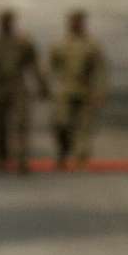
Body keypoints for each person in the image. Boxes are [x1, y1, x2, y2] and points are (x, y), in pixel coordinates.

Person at [0, 9, 50, 173]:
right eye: (3, 21)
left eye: (8, 21)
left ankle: (22, 159)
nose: (5, 24)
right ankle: (2, 157)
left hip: (18, 85)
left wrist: (42, 85)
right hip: (0, 85)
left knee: (21, 123)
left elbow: (34, 64)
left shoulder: (23, 43)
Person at [49, 9, 108, 170]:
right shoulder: (60, 44)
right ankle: (63, 151)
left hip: (86, 90)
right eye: (73, 22)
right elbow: (50, 67)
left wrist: (101, 92)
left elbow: (101, 70)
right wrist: (46, 88)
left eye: (79, 22)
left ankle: (81, 156)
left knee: (84, 126)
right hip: (65, 91)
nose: (76, 25)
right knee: (62, 124)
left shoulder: (92, 45)